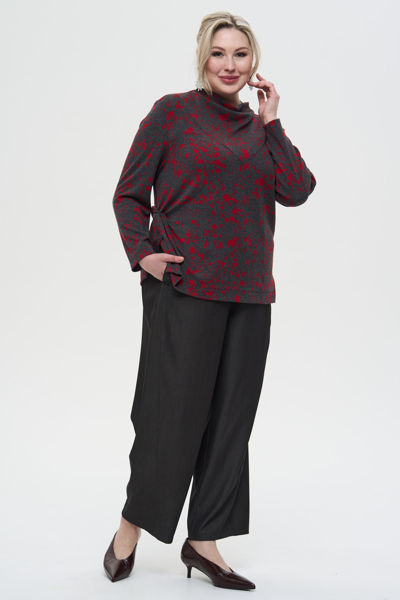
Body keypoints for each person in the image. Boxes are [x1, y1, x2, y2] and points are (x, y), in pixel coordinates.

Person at [103, 10, 317, 590]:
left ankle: (204, 540)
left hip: (249, 292)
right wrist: (143, 254)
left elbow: (298, 190)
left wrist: (273, 123)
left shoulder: (259, 129)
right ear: (203, 57)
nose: (229, 64)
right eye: (219, 53)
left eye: (240, 54)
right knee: (169, 417)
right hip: (184, 288)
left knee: (230, 422)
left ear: (254, 62)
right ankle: (131, 525)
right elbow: (128, 194)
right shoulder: (172, 113)